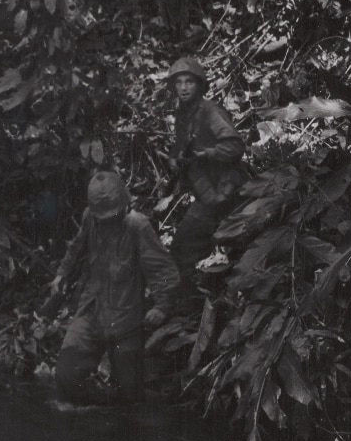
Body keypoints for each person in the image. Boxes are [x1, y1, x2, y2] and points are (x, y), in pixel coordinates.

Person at [48, 169, 179, 405]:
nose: (108, 221)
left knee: (130, 397)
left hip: (126, 319)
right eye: (103, 217)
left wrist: (162, 306)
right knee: (66, 375)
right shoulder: (91, 217)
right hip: (92, 311)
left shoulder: (137, 226)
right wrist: (61, 276)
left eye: (113, 215)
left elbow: (162, 269)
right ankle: (94, 416)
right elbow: (75, 249)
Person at [166, 56, 247, 301]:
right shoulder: (184, 114)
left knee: (185, 246)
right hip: (207, 192)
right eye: (178, 82)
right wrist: (174, 159)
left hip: (226, 191)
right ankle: (196, 301)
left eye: (189, 82)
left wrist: (206, 155)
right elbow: (180, 148)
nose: (183, 88)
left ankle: (197, 302)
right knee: (187, 248)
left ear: (199, 85)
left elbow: (235, 145)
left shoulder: (209, 111)